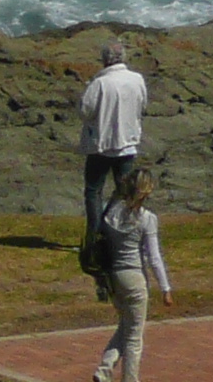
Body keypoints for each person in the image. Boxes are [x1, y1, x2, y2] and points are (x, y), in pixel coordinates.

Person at [90, 163, 174, 382]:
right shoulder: (147, 218)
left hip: (113, 277)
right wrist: (165, 287)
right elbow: (154, 257)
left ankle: (104, 370)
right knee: (135, 336)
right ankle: (129, 379)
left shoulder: (111, 212)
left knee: (125, 327)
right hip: (135, 278)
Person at [77, 37, 147, 276]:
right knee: (124, 192)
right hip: (127, 145)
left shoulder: (100, 83)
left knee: (93, 191)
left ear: (105, 59)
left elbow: (85, 110)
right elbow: (142, 105)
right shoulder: (137, 80)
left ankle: (95, 235)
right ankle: (122, 236)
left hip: (101, 146)